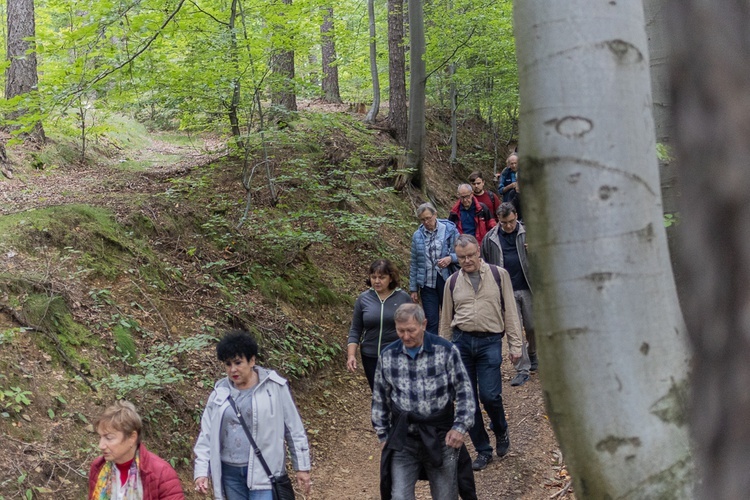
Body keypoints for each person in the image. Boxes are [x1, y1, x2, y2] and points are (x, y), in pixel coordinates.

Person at [372, 303, 476, 500]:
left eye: (411, 330)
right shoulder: (388, 356)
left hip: (441, 438)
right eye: (400, 331)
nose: (405, 336)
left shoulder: (445, 351)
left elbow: (464, 392)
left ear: (424, 324)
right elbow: (380, 398)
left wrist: (460, 427)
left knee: (445, 496)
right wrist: (383, 435)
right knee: (399, 496)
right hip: (404, 439)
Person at [194, 330, 312, 500]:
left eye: (238, 362)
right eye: (228, 364)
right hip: (230, 474)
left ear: (252, 360)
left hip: (264, 472)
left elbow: (294, 429)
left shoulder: (275, 388)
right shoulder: (219, 393)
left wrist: (302, 467)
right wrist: (201, 472)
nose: (233, 369)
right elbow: (206, 435)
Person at [440, 235, 523, 471]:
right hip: (461, 343)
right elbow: (446, 319)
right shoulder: (452, 282)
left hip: (490, 341)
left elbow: (511, 312)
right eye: (462, 257)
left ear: (479, 253)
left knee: (490, 395)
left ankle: (500, 429)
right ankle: (483, 450)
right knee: (467, 401)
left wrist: (516, 345)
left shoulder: (499, 275)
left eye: (470, 255)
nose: (467, 261)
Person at [482, 202, 536, 387]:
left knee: (533, 327)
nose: (508, 226)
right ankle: (522, 369)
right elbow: (485, 265)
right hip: (506, 291)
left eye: (511, 221)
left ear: (516, 217)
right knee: (515, 330)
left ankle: (533, 353)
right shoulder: (491, 239)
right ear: (499, 220)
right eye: (504, 222)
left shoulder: (529, 233)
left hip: (528, 287)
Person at [89, 400, 184, 500]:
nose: (101, 445)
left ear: (132, 437)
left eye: (109, 438)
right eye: (100, 437)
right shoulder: (98, 468)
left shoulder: (161, 473)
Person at [347, 259, 412, 390]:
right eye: (373, 277)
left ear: (391, 278)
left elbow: (413, 327)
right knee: (378, 393)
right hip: (370, 355)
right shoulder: (363, 299)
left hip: (396, 354)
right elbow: (355, 329)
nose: (377, 281)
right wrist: (351, 355)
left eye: (382, 277)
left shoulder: (403, 298)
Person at [409, 202, 460, 335]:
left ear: (435, 214)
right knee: (431, 320)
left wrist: (450, 258)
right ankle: (433, 351)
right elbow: (414, 262)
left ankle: (454, 349)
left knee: (451, 317)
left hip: (447, 279)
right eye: (422, 219)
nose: (426, 222)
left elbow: (461, 253)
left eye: (428, 218)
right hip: (427, 283)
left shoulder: (449, 230)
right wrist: (413, 288)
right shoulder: (417, 236)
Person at [497, 153, 522, 219]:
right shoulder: (505, 173)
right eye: (511, 163)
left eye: (515, 163)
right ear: (508, 164)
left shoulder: (523, 172)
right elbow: (500, 191)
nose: (514, 165)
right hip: (508, 204)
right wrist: (510, 186)